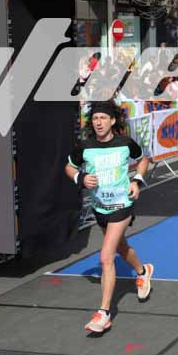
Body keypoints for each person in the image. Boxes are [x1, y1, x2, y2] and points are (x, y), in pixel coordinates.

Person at [64, 101, 153, 334]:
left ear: (112, 121)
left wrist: (136, 181)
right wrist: (80, 178)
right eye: (95, 118)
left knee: (106, 257)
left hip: (122, 204)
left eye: (103, 118)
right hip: (100, 207)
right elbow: (69, 167)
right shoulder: (85, 146)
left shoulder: (125, 143)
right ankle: (143, 272)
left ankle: (104, 314)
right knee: (121, 247)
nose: (99, 122)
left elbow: (144, 159)